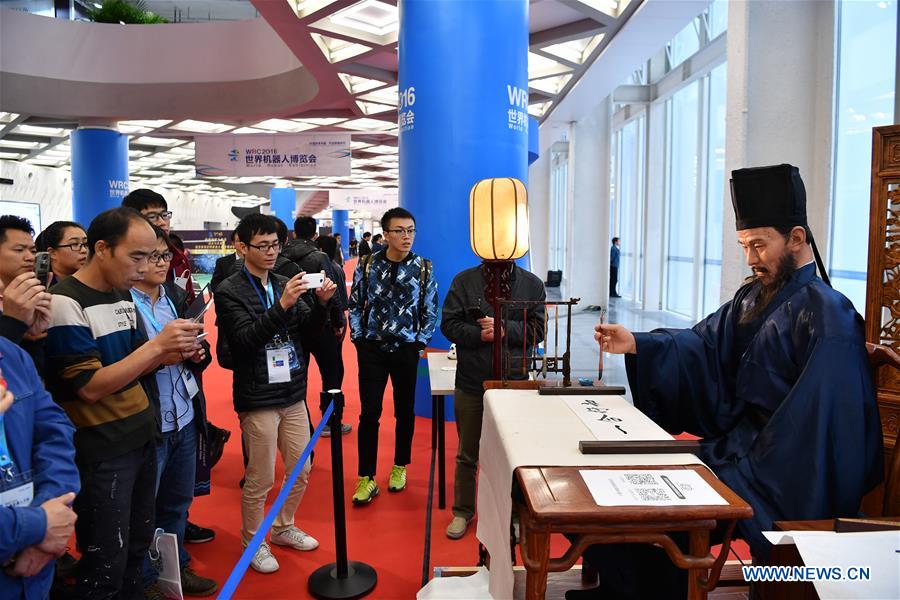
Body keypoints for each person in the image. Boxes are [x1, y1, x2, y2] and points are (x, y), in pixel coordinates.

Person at [590, 164, 883, 599]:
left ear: (797, 239)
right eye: (745, 246)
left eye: (760, 245)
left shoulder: (829, 316)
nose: (751, 259)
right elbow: (703, 346)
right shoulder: (752, 296)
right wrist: (638, 344)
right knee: (629, 506)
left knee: (666, 518)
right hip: (738, 452)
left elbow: (817, 427)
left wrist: (740, 469)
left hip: (787, 471)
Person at [45, 207, 203, 599]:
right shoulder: (65, 302)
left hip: (141, 433)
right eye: (136, 256)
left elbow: (139, 364)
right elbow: (89, 386)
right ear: (101, 249)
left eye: (152, 257)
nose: (145, 267)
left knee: (136, 549)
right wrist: (156, 347)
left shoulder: (120, 297)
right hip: (104, 449)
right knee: (105, 561)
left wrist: (176, 350)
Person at [215, 213, 337, 574]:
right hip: (257, 395)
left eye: (275, 245)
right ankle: (254, 540)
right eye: (263, 245)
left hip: (293, 390)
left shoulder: (284, 280)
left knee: (302, 467)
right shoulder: (229, 291)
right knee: (262, 476)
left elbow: (309, 332)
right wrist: (281, 305)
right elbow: (245, 341)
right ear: (241, 246)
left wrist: (322, 304)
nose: (271, 252)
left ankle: (283, 526)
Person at [132, 226, 217, 598]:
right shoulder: (120, 303)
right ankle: (144, 579)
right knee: (140, 508)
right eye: (151, 256)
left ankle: (176, 567)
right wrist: (159, 353)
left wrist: (199, 353)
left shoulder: (174, 297)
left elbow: (200, 347)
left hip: (184, 413)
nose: (161, 263)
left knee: (177, 503)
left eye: (165, 256)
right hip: (146, 421)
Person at [440, 262, 546, 539]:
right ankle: (462, 511)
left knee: (515, 453)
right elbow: (449, 325)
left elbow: (538, 331)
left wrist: (503, 329)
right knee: (467, 453)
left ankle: (513, 512)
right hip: (472, 380)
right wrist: (478, 334)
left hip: (515, 381)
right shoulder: (464, 280)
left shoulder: (531, 284)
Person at [348, 207, 438, 505]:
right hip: (372, 349)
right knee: (369, 413)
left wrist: (420, 342)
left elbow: (430, 309)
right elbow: (356, 303)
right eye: (399, 231)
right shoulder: (367, 264)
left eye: (411, 230)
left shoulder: (424, 267)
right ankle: (366, 476)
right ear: (385, 234)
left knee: (405, 411)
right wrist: (359, 339)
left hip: (406, 350)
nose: (406, 236)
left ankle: (400, 467)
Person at [0, 336, 80, 600]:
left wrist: (51, 511)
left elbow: (54, 430)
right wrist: (39, 526)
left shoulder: (10, 354)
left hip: (34, 577)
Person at [283, 218, 350, 437]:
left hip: (293, 325)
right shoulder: (320, 257)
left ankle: (300, 424)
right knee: (332, 373)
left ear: (294, 234)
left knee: (297, 376)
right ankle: (332, 421)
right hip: (322, 323)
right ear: (315, 235)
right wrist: (339, 321)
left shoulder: (282, 257)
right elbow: (332, 291)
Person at [0, 216, 52, 377]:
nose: (30, 257)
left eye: (33, 251)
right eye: (19, 250)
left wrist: (34, 337)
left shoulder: (31, 298)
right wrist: (13, 324)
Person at [123, 189, 195, 301]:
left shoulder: (181, 260)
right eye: (152, 216)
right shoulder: (122, 264)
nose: (162, 222)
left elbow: (189, 302)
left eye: (164, 215)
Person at [35, 220, 88, 286]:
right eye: (74, 244)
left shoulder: (95, 283)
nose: (84, 250)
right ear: (52, 253)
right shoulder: (42, 287)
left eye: (85, 244)